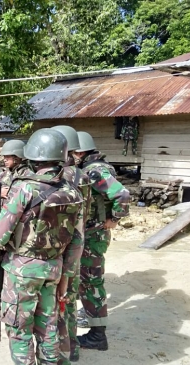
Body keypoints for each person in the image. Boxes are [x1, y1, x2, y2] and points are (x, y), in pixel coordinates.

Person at [0, 128, 84, 365]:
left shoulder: (25, 188)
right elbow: (77, 240)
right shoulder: (71, 191)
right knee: (48, 327)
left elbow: (1, 231)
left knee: (19, 329)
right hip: (53, 269)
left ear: (32, 157)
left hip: (22, 271)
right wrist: (66, 273)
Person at [72, 130, 130, 351]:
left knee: (91, 282)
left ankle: (98, 336)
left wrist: (114, 218)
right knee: (85, 280)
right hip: (89, 234)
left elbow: (122, 194)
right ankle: (90, 316)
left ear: (80, 151)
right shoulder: (88, 168)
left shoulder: (95, 170)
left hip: (93, 234)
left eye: (73, 152)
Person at [49, 125, 92, 365]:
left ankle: (60, 364)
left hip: (57, 249)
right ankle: (72, 349)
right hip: (76, 245)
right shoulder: (82, 176)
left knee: (57, 307)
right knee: (69, 300)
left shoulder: (57, 177)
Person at [0, 139, 34, 280]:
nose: (5, 160)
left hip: (21, 221)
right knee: (1, 249)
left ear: (18, 157)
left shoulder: (29, 174)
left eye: (8, 157)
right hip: (4, 218)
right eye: (4, 157)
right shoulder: (3, 174)